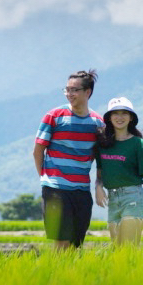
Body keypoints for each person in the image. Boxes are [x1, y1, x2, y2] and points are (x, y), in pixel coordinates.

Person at [33, 69, 103, 250]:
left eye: (74, 90)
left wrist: (98, 185)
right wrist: (45, 177)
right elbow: (38, 150)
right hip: (55, 188)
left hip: (81, 190)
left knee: (75, 244)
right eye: (67, 89)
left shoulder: (97, 123)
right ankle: (56, 276)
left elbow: (99, 158)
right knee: (61, 241)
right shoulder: (54, 116)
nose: (69, 94)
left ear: (88, 92)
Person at [94, 95, 143, 245]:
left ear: (131, 117)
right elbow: (100, 172)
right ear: (109, 118)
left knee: (128, 249)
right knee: (118, 253)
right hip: (113, 200)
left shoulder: (138, 144)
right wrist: (98, 187)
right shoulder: (102, 144)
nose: (120, 117)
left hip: (133, 199)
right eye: (115, 113)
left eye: (124, 113)